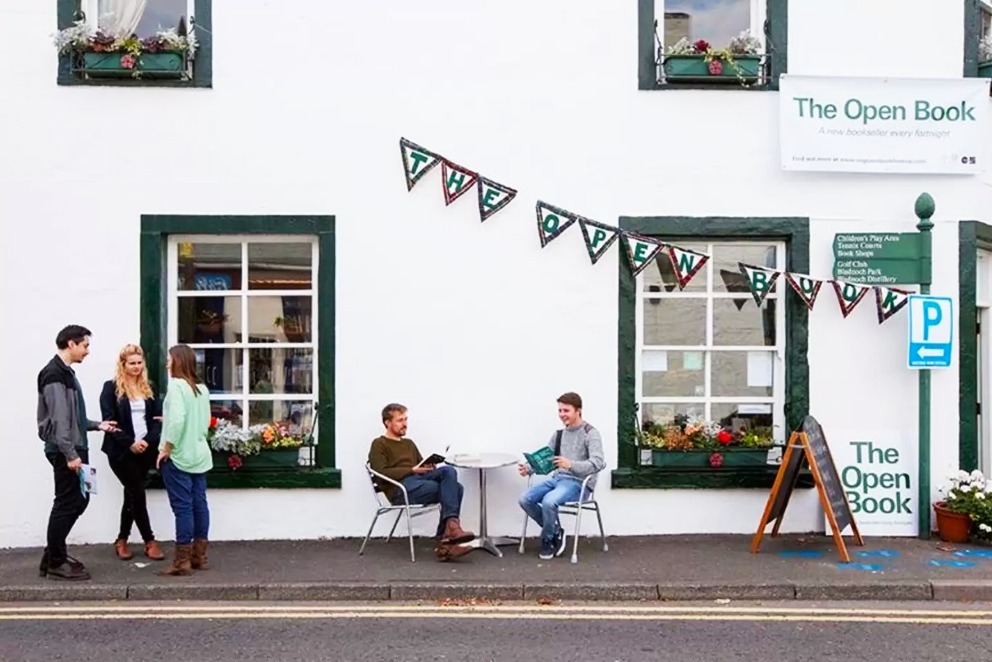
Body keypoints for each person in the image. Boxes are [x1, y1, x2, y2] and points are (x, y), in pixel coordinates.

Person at [37, 325, 118, 580]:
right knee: (66, 503)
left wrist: (97, 425)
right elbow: (60, 420)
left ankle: (53, 553)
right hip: (65, 450)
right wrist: (71, 454)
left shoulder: (66, 373)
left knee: (79, 500)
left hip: (73, 446)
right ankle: (55, 561)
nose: (87, 351)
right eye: (85, 345)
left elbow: (73, 417)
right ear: (71, 344)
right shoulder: (54, 374)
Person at [368, 403, 476, 561]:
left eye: (405, 419)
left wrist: (428, 466)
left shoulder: (409, 443)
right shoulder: (379, 444)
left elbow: (419, 465)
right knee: (454, 489)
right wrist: (412, 470)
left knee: (449, 472)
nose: (404, 424)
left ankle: (450, 531)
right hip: (400, 490)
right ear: (387, 422)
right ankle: (446, 543)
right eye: (399, 420)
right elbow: (381, 472)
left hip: (418, 482)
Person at [518, 392, 606, 560]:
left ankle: (548, 539)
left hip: (579, 483)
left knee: (549, 501)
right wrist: (528, 468)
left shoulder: (590, 433)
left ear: (578, 411)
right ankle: (556, 531)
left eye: (566, 410)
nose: (562, 415)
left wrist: (571, 464)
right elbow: (546, 458)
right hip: (557, 480)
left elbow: (598, 463)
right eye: (559, 411)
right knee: (525, 498)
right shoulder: (559, 435)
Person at [99, 343, 165, 562]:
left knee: (131, 494)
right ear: (123, 364)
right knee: (137, 492)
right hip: (120, 451)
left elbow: (157, 420)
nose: (136, 367)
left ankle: (121, 539)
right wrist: (130, 443)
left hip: (145, 450)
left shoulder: (150, 387)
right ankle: (150, 541)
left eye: (139, 363)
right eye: (132, 363)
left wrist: (147, 441)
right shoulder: (111, 388)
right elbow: (110, 423)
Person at [156, 344, 213, 576]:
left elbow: (178, 420)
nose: (167, 362)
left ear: (178, 361)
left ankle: (181, 562)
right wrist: (167, 418)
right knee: (200, 505)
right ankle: (198, 557)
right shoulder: (202, 389)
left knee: (182, 508)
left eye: (169, 359)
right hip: (199, 454)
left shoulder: (177, 386)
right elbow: (205, 421)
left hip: (179, 456)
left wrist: (166, 448)